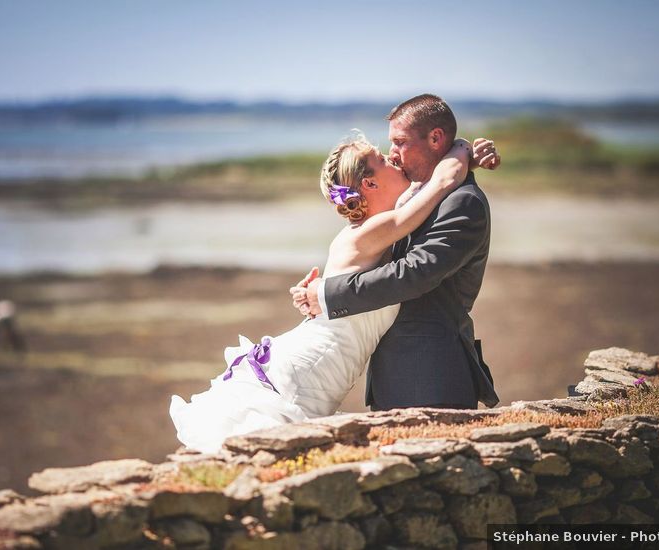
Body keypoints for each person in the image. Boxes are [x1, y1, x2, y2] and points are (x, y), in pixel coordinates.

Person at [169, 126, 499, 453]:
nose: (394, 159)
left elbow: (427, 190)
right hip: (309, 371)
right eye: (384, 158)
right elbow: (440, 183)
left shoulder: (380, 224)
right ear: (369, 183)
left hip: (325, 369)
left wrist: (462, 149)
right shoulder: (374, 229)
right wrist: (461, 150)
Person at [291, 94, 500, 411]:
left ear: (434, 138)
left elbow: (415, 274)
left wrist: (327, 295)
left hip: (430, 374)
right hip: (394, 375)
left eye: (399, 142)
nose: (393, 154)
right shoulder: (408, 201)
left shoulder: (462, 202)